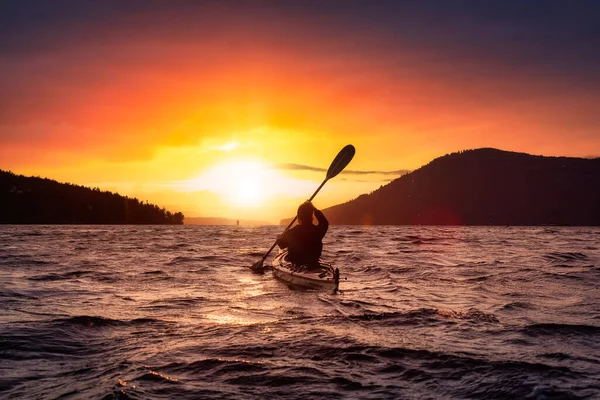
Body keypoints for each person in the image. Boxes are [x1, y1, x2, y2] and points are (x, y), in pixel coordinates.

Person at [277, 201, 329, 268]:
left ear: (298, 217)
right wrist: (313, 208)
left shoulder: (290, 233)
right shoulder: (317, 231)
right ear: (312, 217)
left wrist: (278, 238)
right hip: (313, 264)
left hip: (296, 266)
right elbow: (324, 222)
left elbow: (281, 245)